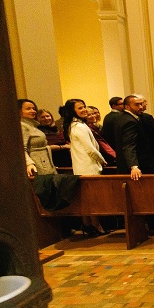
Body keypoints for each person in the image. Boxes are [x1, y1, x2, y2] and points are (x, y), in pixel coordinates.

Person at [62, 98, 109, 236]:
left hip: (81, 165)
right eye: (80, 108)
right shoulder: (79, 127)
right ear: (72, 111)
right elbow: (90, 149)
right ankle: (95, 225)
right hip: (88, 166)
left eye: (84, 107)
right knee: (92, 198)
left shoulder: (74, 125)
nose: (84, 110)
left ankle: (88, 224)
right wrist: (102, 160)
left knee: (87, 198)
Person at [112, 94, 154, 179]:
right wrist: (134, 166)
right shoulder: (130, 121)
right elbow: (129, 145)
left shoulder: (122, 117)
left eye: (141, 104)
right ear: (127, 107)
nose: (140, 107)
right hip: (138, 166)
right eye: (137, 105)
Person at [20, 98, 59, 177]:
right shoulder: (23, 126)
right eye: (28, 109)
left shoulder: (33, 125)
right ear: (19, 111)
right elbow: (21, 148)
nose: (33, 111)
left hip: (45, 163)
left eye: (34, 109)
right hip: (37, 165)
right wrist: (29, 164)